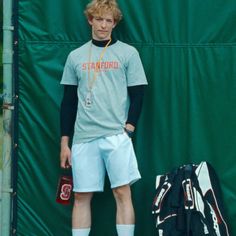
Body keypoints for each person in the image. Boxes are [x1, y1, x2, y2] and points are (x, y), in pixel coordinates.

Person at [60, 0, 147, 235]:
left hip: (115, 136)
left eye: (109, 20)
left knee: (122, 192)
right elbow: (68, 101)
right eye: (99, 19)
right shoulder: (75, 56)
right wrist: (65, 142)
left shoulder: (128, 53)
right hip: (83, 137)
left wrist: (128, 129)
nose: (103, 25)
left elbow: (138, 94)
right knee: (81, 195)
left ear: (115, 23)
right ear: (90, 20)